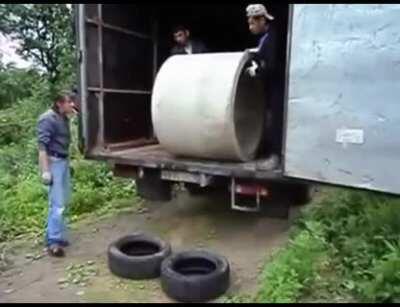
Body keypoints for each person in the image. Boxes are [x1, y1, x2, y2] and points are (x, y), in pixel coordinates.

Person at [37, 91, 77, 257]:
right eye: (69, 102)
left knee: (63, 200)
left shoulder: (63, 117)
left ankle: (55, 236)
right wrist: (46, 171)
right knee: (57, 203)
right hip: (53, 163)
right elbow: (42, 147)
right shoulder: (47, 119)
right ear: (59, 103)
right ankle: (53, 242)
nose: (72, 105)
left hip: (63, 161)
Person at [245, 4, 284, 169]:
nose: (250, 27)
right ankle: (272, 155)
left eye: (252, 23)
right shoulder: (266, 37)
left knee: (275, 120)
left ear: (262, 19)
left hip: (277, 87)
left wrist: (257, 70)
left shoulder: (273, 37)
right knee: (270, 119)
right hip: (272, 87)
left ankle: (275, 158)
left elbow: (273, 64)